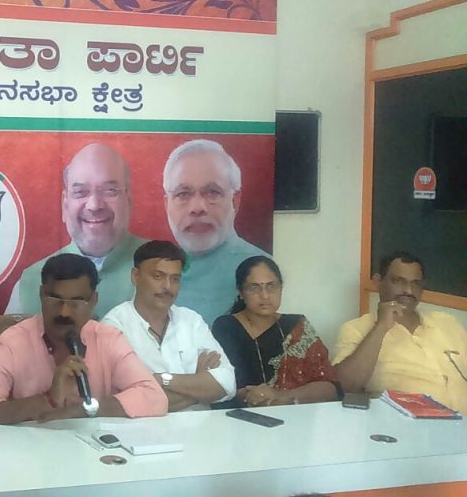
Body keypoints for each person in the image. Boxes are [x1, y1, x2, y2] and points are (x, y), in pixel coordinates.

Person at [0, 253, 167, 425]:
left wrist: (85, 410)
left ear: (93, 301)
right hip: (29, 451)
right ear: (41, 295)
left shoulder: (108, 339)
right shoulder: (11, 343)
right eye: (55, 300)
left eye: (76, 302)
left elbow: (154, 397)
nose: (64, 312)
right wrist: (48, 400)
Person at [6, 143, 147, 318]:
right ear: (65, 205)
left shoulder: (165, 270)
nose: (94, 205)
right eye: (80, 192)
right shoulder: (31, 283)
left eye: (110, 191)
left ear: (129, 201)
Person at [102, 241, 236, 411]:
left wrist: (163, 380)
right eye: (158, 276)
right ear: (135, 276)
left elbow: (227, 384)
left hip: (201, 426)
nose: (167, 287)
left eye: (175, 279)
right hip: (143, 427)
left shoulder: (191, 320)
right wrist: (198, 382)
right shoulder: (113, 327)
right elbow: (133, 401)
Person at [333, 251, 466, 413]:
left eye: (415, 283)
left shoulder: (447, 323)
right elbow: (345, 387)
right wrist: (381, 326)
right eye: (398, 281)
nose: (408, 290)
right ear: (378, 281)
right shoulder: (357, 329)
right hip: (409, 425)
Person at [163, 139, 270, 324]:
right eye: (183, 194)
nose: (197, 208)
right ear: (167, 205)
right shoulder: (147, 277)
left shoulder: (267, 273)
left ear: (235, 201)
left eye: (212, 192)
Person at [211, 256, 340, 407]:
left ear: (281, 288)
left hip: (297, 415)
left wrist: (282, 396)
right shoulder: (226, 326)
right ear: (241, 292)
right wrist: (261, 397)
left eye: (271, 286)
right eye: (254, 287)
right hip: (241, 417)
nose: (265, 296)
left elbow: (330, 387)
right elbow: (227, 387)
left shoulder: (297, 325)